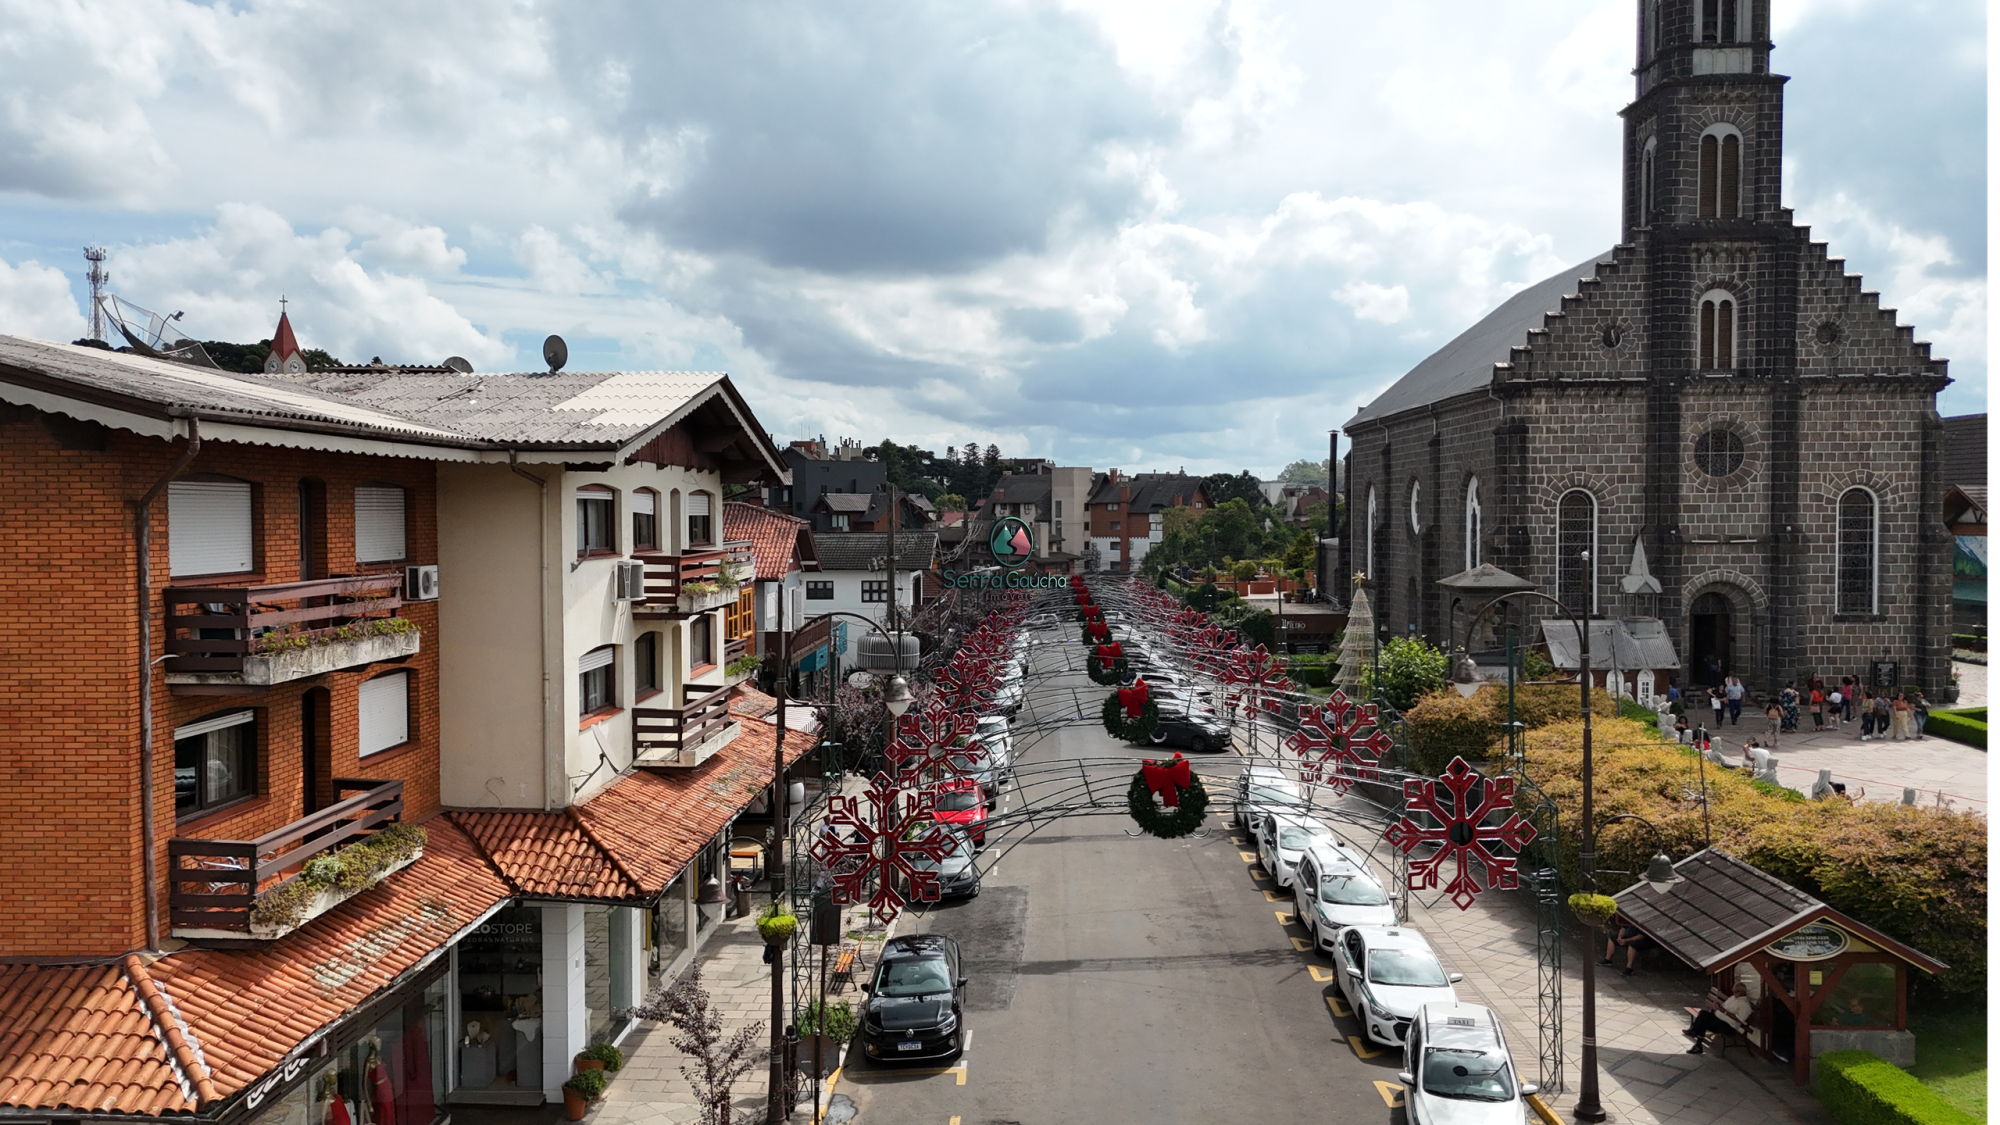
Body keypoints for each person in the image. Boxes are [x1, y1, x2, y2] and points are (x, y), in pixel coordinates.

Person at [1685, 981, 1755, 1054]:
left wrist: (1725, 1012)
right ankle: (1695, 1032)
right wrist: (1718, 1006)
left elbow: (1740, 1019)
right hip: (1719, 1018)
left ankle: (1697, 1043)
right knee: (1703, 1014)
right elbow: (1723, 1007)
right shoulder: (1733, 998)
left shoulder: (1745, 1005)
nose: (1734, 993)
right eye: (1733, 990)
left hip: (1728, 1026)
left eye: (1736, 991)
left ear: (1743, 992)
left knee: (1704, 1023)